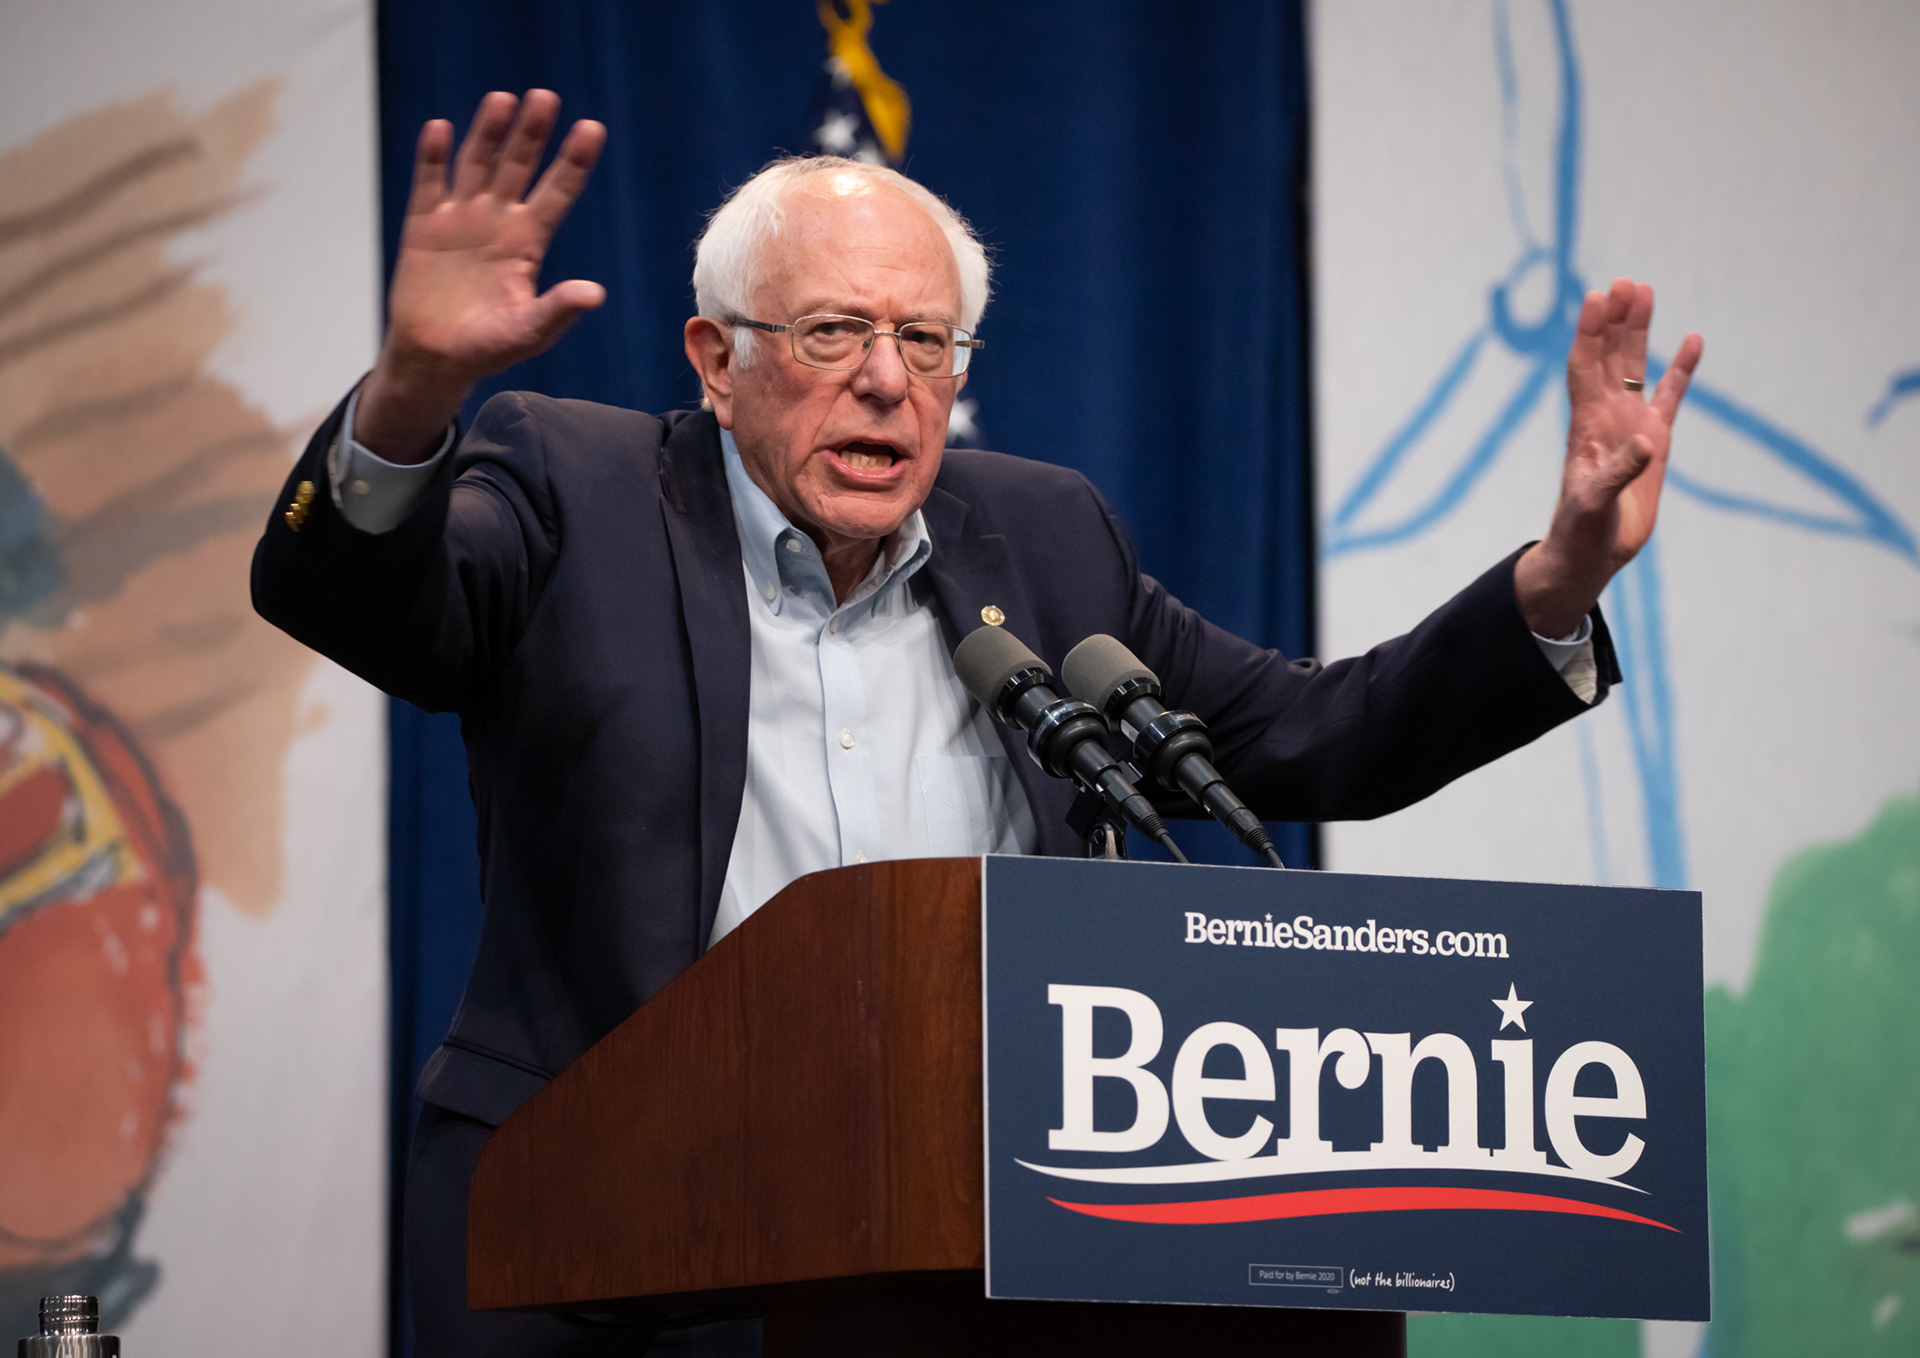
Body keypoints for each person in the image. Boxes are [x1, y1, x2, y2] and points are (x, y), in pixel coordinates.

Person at [251, 90, 1702, 1358]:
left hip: (962, 1264)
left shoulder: (1042, 536)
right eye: (832, 332)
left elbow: (1326, 738)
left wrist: (1562, 574)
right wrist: (411, 402)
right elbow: (367, 606)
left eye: (926, 340)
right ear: (715, 357)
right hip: (613, 1256)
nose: (888, 378)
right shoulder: (574, 486)